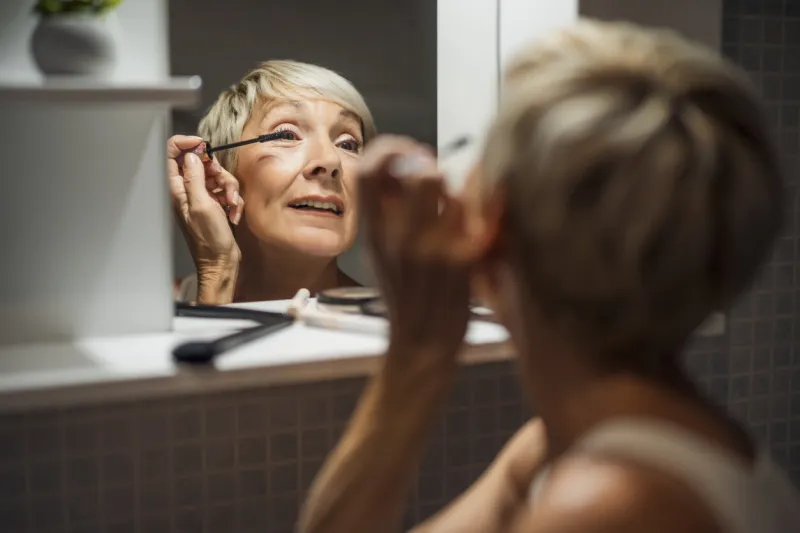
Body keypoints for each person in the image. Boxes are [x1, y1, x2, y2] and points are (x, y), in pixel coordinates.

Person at [298, 20, 800, 533]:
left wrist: (419, 348)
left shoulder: (612, 503)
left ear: (494, 226)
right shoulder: (574, 443)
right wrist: (418, 350)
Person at [168, 60, 376, 304]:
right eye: (287, 135)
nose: (330, 161)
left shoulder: (402, 327)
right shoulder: (153, 311)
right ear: (219, 176)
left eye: (348, 144)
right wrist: (217, 271)